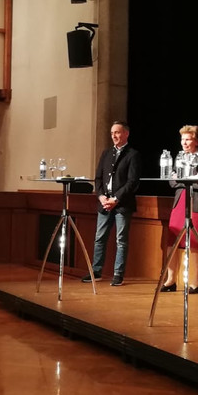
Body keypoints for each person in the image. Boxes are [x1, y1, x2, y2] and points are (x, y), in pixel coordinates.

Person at [83, 120, 140, 286]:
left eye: (117, 132)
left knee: (121, 240)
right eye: (112, 133)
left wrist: (115, 199)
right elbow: (98, 178)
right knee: (99, 238)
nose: (114, 136)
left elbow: (132, 182)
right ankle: (96, 271)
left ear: (126, 134)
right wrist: (101, 196)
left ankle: (118, 274)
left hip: (122, 204)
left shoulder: (133, 155)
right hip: (104, 204)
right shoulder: (106, 153)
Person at [160, 125, 198, 294]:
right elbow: (171, 181)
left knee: (195, 242)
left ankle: (196, 283)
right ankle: (170, 280)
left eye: (188, 139)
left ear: (197, 141)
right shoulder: (179, 157)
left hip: (196, 203)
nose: (184, 143)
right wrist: (188, 180)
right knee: (172, 242)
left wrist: (181, 179)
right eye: (182, 139)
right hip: (180, 201)